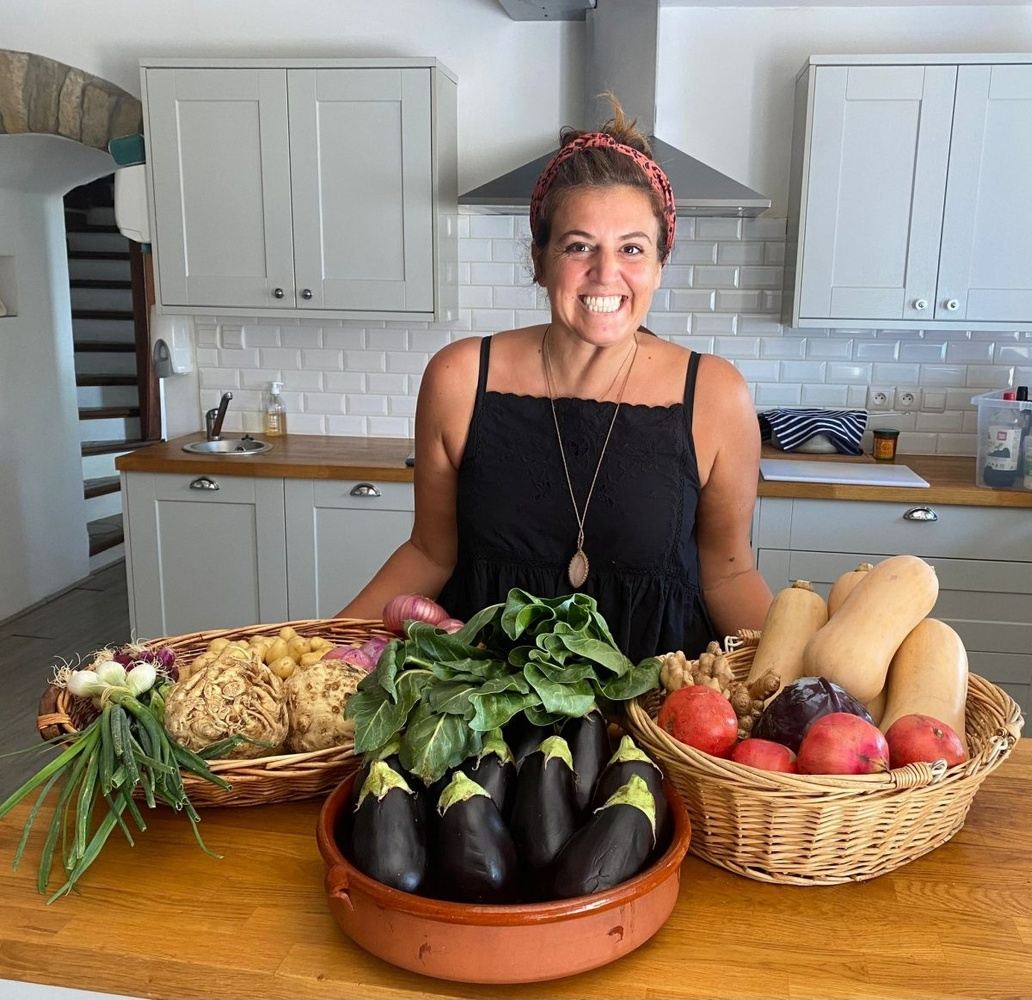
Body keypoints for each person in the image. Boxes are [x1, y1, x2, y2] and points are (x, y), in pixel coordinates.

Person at [338, 102, 772, 662]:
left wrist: (798, 679)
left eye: (632, 248)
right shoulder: (460, 377)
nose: (605, 273)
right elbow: (429, 552)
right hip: (481, 690)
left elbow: (729, 574)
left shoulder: (714, 394)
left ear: (660, 265)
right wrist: (317, 646)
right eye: (578, 246)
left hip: (650, 699)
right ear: (540, 261)